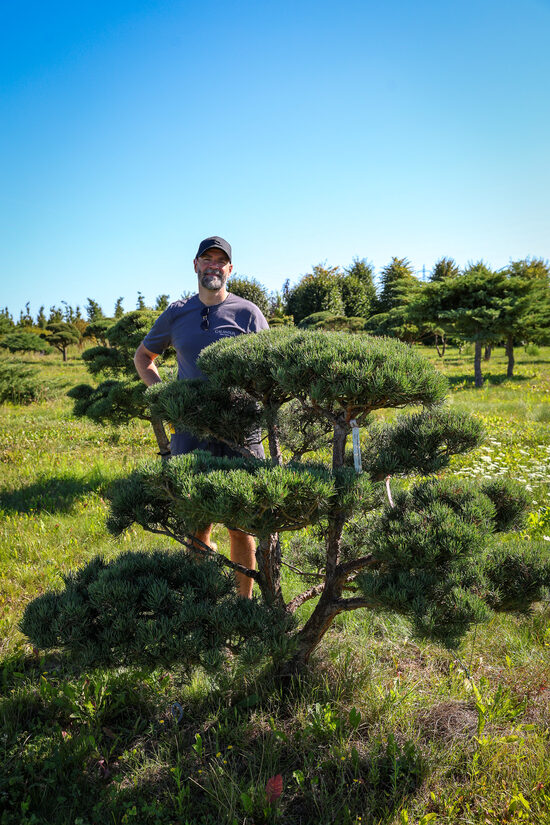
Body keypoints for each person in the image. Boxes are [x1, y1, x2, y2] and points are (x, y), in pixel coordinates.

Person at [134, 236, 269, 597]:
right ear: (195, 266)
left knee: (241, 525)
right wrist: (166, 398)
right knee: (198, 522)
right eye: (206, 259)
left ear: (230, 269)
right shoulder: (177, 312)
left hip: (240, 431)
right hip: (192, 432)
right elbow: (143, 357)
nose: (213, 265)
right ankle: (203, 600)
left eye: (220, 261)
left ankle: (244, 604)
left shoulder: (248, 313)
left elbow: (269, 368)